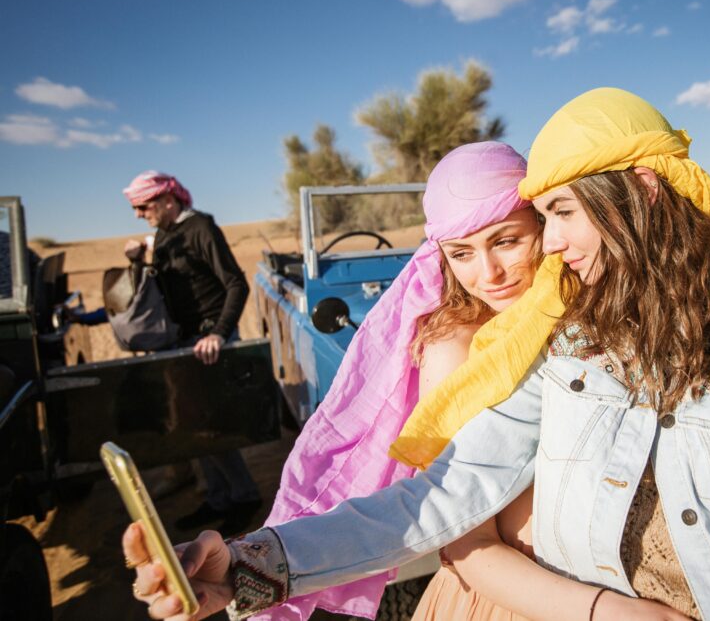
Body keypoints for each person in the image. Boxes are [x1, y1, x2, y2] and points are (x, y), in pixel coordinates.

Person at [125, 89, 710, 620]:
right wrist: (253, 565)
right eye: (544, 215)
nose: (549, 242)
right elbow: (439, 495)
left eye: (560, 212)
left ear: (647, 192)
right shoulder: (572, 338)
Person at [251, 141, 681, 621]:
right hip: (520, 603)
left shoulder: (584, 311)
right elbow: (461, 537)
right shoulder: (458, 349)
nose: (489, 274)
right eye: (462, 253)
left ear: (543, 223)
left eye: (506, 241)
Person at [122, 171, 262, 536]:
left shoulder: (201, 228)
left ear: (168, 200)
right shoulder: (164, 236)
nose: (138, 213)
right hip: (183, 343)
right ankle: (217, 498)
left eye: (143, 205)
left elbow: (236, 283)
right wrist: (137, 261)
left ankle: (244, 497)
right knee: (192, 425)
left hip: (209, 341)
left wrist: (218, 332)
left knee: (210, 425)